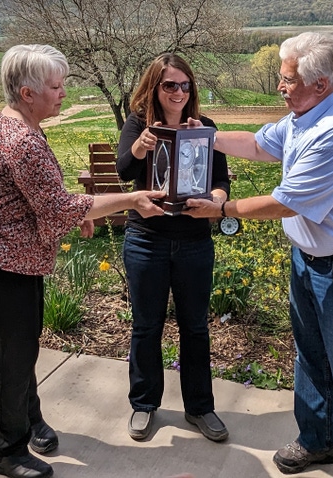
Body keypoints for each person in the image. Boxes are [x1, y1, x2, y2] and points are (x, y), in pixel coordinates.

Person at [184, 32, 333, 477]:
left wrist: (221, 209)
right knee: (312, 357)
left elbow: (287, 201)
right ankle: (318, 442)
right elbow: (261, 145)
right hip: (312, 258)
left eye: (287, 79)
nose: (280, 87)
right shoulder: (304, 115)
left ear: (319, 83)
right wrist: (206, 136)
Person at [0, 44, 165, 478]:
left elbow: (47, 202)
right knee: (13, 352)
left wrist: (78, 213)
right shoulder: (21, 140)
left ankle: (28, 421)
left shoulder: (17, 123)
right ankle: (7, 450)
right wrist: (130, 200)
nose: (63, 92)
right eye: (55, 85)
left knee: (21, 344)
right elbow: (55, 209)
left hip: (3, 251)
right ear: (28, 93)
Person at [115, 53, 232, 443]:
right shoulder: (139, 124)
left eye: (185, 85)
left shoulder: (206, 128)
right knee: (146, 326)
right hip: (147, 239)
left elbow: (219, 183)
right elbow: (122, 169)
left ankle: (199, 407)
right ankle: (144, 405)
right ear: (155, 88)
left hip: (194, 241)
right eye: (170, 85)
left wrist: (215, 200)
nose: (179, 92)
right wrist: (140, 148)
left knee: (195, 327)